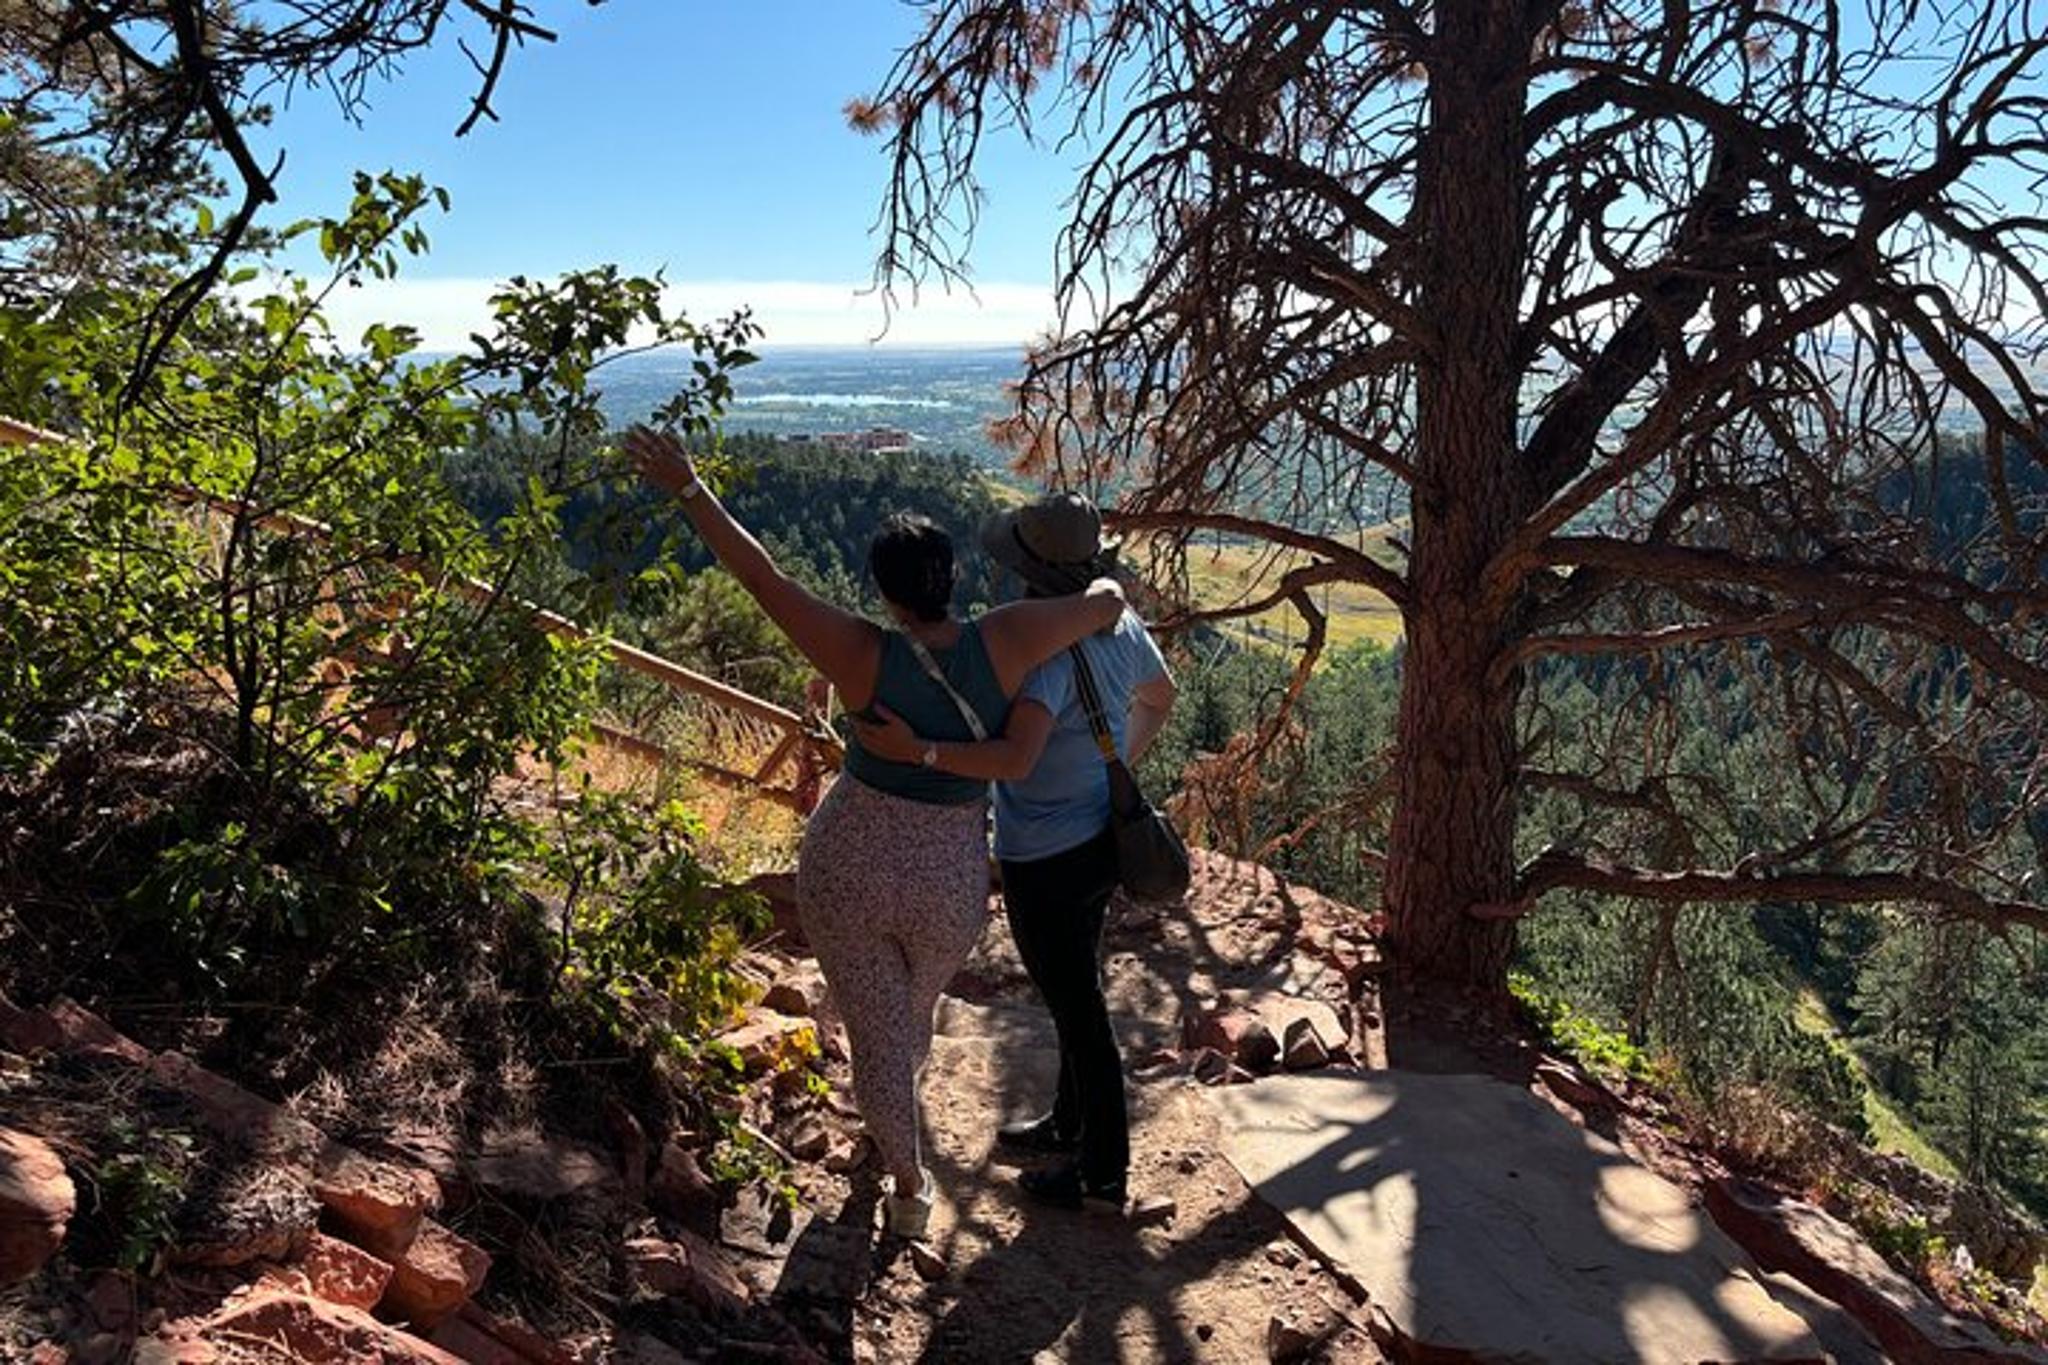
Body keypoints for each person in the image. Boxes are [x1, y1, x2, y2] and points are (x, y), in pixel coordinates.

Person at [623, 427, 1127, 1239]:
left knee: (877, 1027)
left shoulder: (859, 650)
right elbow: (1105, 604)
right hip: (948, 872)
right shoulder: (1007, 637)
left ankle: (907, 1178)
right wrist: (1101, 583)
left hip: (851, 855)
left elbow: (760, 575)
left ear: (884, 590)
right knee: (906, 1016)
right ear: (953, 576)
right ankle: (894, 1130)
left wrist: (688, 487)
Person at [855, 491, 1176, 1212]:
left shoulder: (1040, 658)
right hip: (1100, 836)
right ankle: (1067, 1124)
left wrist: (923, 751)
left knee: (1079, 1005)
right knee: (1077, 987)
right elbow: (1162, 694)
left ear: (1028, 570)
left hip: (1047, 854)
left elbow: (1014, 760)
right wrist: (1114, 763)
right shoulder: (1120, 625)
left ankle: (1102, 1174)